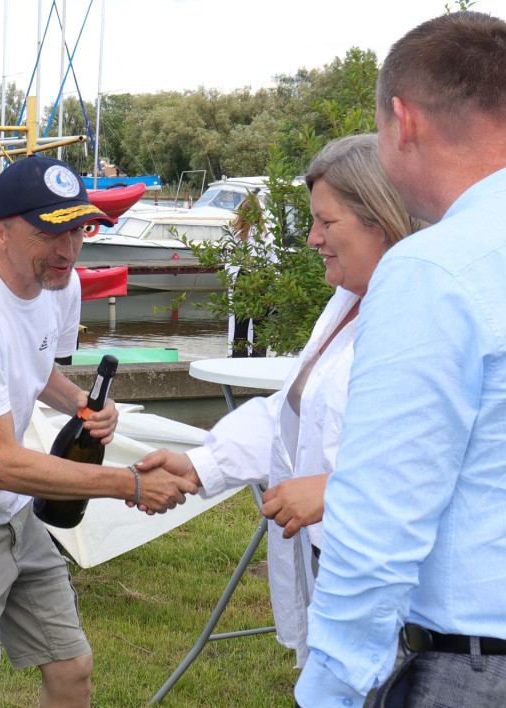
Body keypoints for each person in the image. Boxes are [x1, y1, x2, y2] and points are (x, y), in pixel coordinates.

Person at [0, 155, 200, 707]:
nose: (69, 249)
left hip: (12, 515)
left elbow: (34, 364)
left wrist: (79, 401)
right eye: (49, 232)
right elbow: (1, 462)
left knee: (72, 666)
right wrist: (131, 484)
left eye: (79, 229)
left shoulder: (59, 285)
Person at [136, 133, 421, 668]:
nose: (312, 239)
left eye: (326, 223)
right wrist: (199, 464)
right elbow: (292, 409)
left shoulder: (424, 315)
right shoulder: (347, 300)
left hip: (393, 588)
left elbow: (448, 452)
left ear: (381, 220)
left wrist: (337, 491)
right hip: (329, 560)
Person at [293, 11, 506, 707]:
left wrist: (330, 685)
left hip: (473, 663)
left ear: (402, 122)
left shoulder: (434, 270)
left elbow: (381, 512)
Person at [227, 194, 272, 357]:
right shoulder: (267, 232)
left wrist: (231, 281)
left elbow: (229, 260)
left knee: (240, 325)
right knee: (260, 326)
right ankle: (258, 361)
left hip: (243, 276)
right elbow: (273, 259)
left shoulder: (233, 232)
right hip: (262, 276)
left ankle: (238, 359)